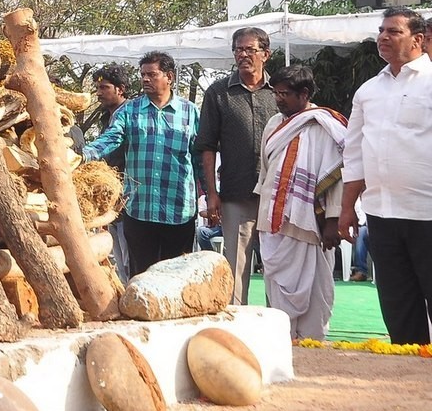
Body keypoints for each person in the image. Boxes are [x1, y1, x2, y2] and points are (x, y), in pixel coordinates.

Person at [339, 7, 432, 346]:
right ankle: (406, 370)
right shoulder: (368, 91)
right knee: (398, 305)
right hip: (381, 214)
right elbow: (354, 153)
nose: (383, 37)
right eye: (381, 30)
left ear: (417, 39)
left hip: (427, 213)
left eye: (393, 31)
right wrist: (347, 208)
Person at [84, 51, 202, 279]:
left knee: (177, 279)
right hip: (139, 210)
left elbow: (198, 156)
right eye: (143, 75)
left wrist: (210, 195)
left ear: (169, 77)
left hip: (178, 210)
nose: (145, 79)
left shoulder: (190, 112)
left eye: (152, 74)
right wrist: (83, 154)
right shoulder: (130, 111)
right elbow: (111, 138)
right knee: (140, 277)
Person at [253, 65, 346, 341]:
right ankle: (284, 341)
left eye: (284, 94)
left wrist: (333, 220)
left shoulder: (324, 125)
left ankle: (313, 343)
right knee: (276, 284)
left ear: (304, 94)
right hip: (273, 220)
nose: (278, 99)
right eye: (276, 93)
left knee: (315, 287)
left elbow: (337, 176)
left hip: (310, 223)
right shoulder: (274, 124)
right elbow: (265, 171)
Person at [196, 27, 278, 305]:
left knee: (277, 265)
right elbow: (207, 146)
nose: (243, 55)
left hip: (275, 195)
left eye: (250, 49)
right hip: (235, 193)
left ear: (265, 54)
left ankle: (277, 321)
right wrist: (211, 194)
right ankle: (236, 323)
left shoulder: (280, 90)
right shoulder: (218, 93)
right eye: (238, 50)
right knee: (235, 266)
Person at [91, 64, 132, 282]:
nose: (98, 93)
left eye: (104, 88)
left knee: (129, 259)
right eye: (97, 88)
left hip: (129, 199)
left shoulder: (129, 114)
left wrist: (85, 154)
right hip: (112, 200)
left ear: (120, 89)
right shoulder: (107, 117)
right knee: (120, 261)